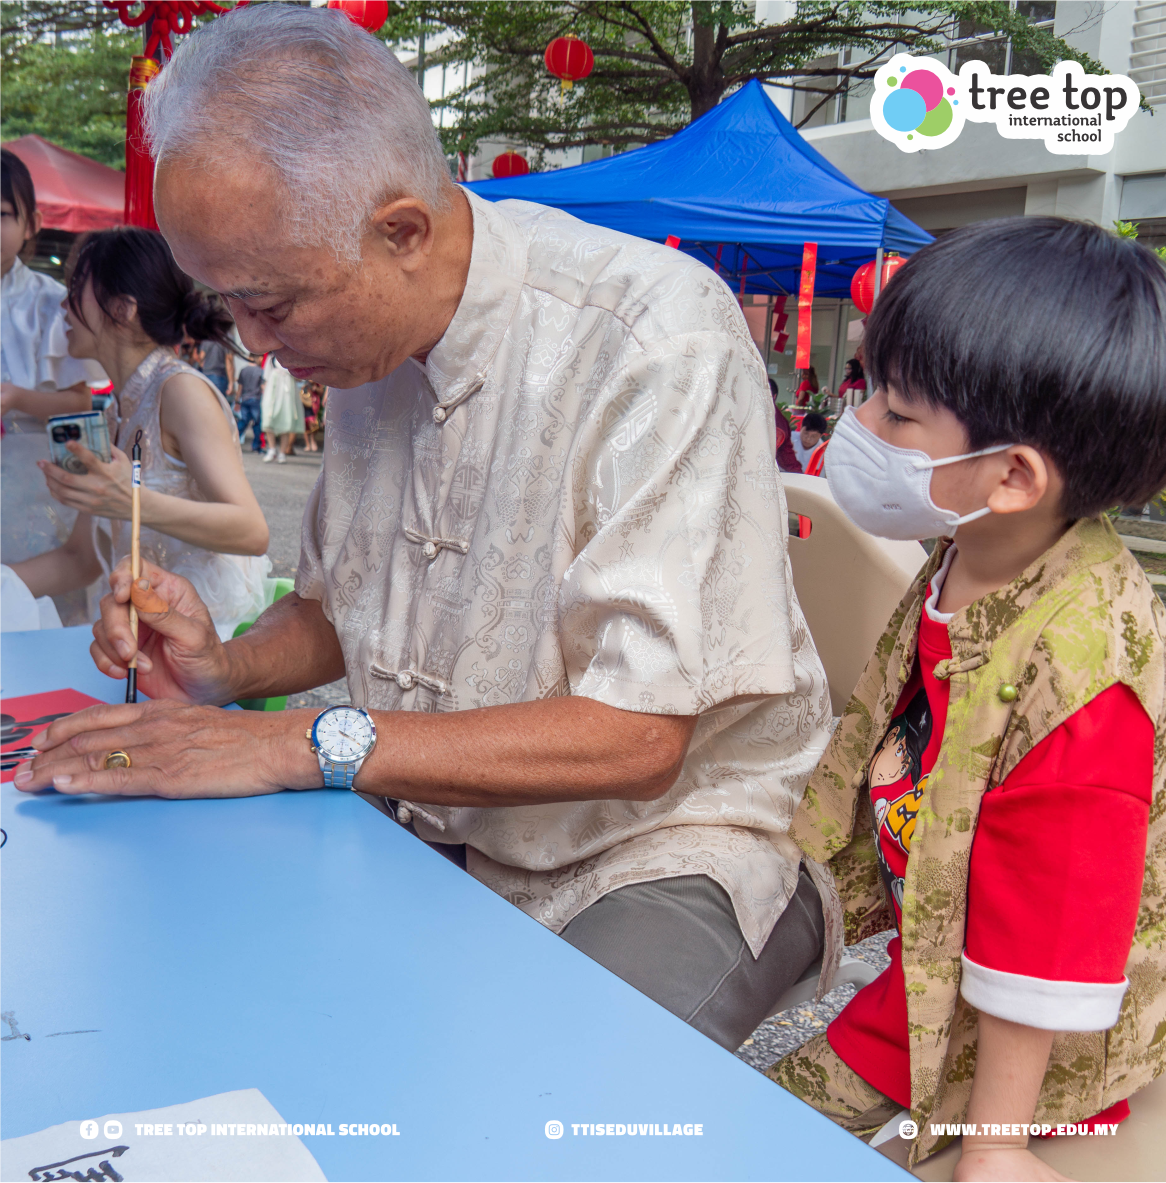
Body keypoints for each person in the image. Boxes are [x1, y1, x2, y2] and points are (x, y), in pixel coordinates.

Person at [15, 4, 833, 1054]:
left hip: (657, 845)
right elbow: (338, 611)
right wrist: (223, 666)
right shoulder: (362, 340)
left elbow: (638, 736)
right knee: (202, 994)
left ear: (401, 231)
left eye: (273, 305)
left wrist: (294, 741)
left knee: (554, 1088)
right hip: (427, 810)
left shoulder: (653, 338)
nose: (256, 348)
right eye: (230, 305)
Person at [764, 218, 1166, 1179]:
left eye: (896, 415)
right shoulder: (977, 549)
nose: (858, 427)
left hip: (1029, 1044)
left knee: (775, 1136)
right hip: (935, 953)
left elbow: (1052, 925)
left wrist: (995, 1140)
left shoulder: (1084, 670)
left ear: (1013, 475)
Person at [8, 226, 271, 639]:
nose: (63, 304)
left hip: (203, 633)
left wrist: (130, 502)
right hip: (144, 634)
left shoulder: (180, 391)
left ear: (122, 308)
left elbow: (251, 530)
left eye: (75, 289)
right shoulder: (117, 411)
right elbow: (80, 559)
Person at [0, 148, 105, 574]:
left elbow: (80, 402)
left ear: (32, 224)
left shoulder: (51, 304)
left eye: (1, 215)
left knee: (27, 592)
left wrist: (16, 398)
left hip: (32, 481)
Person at [260, 351, 300, 463]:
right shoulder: (271, 358)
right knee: (268, 419)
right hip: (272, 391)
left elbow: (299, 377)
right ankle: (271, 449)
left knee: (286, 421)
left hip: (287, 393)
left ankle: (282, 453)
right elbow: (266, 376)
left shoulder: (292, 357)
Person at [235, 352, 265, 452]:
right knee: (257, 424)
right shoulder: (260, 371)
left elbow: (240, 387)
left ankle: (233, 441)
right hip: (256, 400)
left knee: (243, 422)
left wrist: (237, 401)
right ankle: (256, 446)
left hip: (244, 399)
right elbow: (262, 387)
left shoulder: (243, 370)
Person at [769, 376, 800, 472]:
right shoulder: (780, 422)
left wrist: (799, 476)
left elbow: (786, 456)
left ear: (774, 397)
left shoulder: (779, 423)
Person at [198, 335, 234, 399]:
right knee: (218, 403)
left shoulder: (207, 336)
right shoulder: (226, 336)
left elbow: (201, 357)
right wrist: (231, 383)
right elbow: (228, 361)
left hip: (205, 375)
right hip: (219, 376)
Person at [300, 380, 323, 452]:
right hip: (304, 402)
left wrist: (315, 388)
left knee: (313, 422)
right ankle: (307, 444)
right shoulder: (303, 380)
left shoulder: (316, 381)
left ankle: (312, 441)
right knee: (304, 423)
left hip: (313, 404)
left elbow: (321, 392)